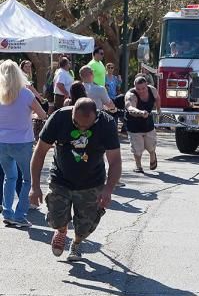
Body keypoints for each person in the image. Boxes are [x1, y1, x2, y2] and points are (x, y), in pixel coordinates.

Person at [29, 98, 122, 261]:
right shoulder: (59, 118)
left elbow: (115, 160)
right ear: (72, 113)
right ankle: (62, 230)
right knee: (56, 219)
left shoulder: (106, 123)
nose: (82, 128)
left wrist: (108, 189)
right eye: (77, 124)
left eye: (87, 126)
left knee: (84, 227)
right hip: (60, 178)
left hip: (92, 181)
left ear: (96, 117)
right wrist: (34, 186)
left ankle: (77, 243)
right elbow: (40, 151)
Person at [0, 60, 47, 227]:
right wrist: (29, 115)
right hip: (22, 142)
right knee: (28, 179)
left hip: (2, 142)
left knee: (9, 177)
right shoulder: (26, 94)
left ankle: (7, 212)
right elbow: (42, 115)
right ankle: (20, 215)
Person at [125, 75, 161, 173]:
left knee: (151, 146)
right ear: (134, 87)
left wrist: (158, 110)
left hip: (148, 124)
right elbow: (130, 108)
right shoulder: (130, 95)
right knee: (137, 149)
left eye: (143, 88)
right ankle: (138, 166)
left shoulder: (152, 90)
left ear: (147, 85)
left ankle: (153, 156)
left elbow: (157, 98)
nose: (141, 91)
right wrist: (140, 112)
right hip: (134, 126)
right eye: (138, 88)